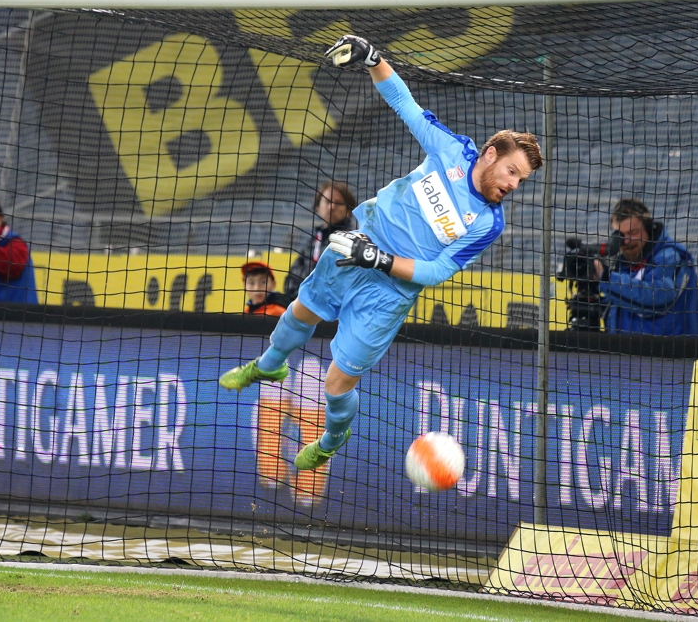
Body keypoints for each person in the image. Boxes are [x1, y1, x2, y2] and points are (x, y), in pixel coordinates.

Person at [220, 35, 542, 471]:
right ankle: (269, 365)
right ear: (490, 154)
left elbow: (435, 272)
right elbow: (406, 106)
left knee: (336, 382)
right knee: (300, 311)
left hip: (388, 293)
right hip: (359, 243)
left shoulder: (487, 223)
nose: (513, 185)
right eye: (512, 172)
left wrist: (382, 262)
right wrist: (374, 59)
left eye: (520, 180)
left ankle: (332, 438)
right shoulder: (451, 151)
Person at [593, 198, 698, 336]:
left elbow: (656, 297)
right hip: (627, 353)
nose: (626, 241)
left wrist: (606, 278)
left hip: (670, 354)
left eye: (632, 233)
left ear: (648, 229)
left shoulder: (670, 256)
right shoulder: (622, 263)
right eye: (620, 235)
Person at [283, 180, 357, 300]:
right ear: (318, 207)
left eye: (338, 203)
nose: (332, 207)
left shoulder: (355, 241)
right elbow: (290, 282)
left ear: (348, 211)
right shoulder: (311, 244)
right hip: (307, 309)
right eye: (327, 201)